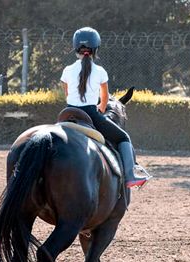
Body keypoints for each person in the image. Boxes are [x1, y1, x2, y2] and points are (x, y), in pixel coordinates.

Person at [61, 27, 148, 188]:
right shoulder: (100, 71)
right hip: (90, 114)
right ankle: (130, 176)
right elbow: (105, 98)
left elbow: (67, 95)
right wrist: (100, 109)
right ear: (96, 49)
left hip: (67, 114)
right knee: (123, 138)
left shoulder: (67, 70)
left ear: (75, 48)